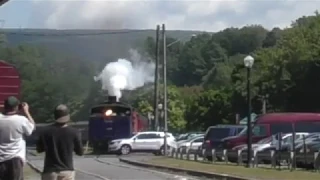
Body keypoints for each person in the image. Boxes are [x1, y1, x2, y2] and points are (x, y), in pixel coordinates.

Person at [36, 104, 83, 180]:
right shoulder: (74, 132)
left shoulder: (45, 132)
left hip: (49, 171)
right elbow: (80, 152)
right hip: (67, 170)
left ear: (55, 116)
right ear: (68, 116)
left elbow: (39, 149)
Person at [0, 96, 35, 180]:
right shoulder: (21, 120)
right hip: (15, 159)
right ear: (16, 107)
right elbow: (32, 128)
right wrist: (26, 111)